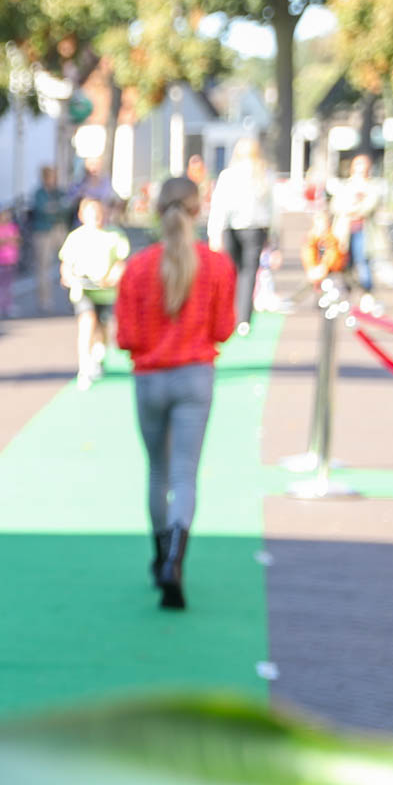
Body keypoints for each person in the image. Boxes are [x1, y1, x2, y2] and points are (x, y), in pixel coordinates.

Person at [115, 175, 236, 611]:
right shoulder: (217, 266)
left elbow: (126, 337)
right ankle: (176, 560)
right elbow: (223, 329)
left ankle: (159, 554)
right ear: (198, 209)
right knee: (185, 473)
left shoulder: (138, 268)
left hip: (150, 377)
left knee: (158, 471)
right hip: (194, 375)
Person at [205, 137, 275, 334]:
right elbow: (272, 208)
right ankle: (243, 318)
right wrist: (272, 233)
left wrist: (214, 232)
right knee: (248, 273)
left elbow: (219, 206)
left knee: (231, 272)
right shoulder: (264, 175)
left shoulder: (229, 175)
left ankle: (229, 315)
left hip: (231, 227)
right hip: (255, 228)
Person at [59, 196, 130, 388]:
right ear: (82, 215)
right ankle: (84, 367)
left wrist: (112, 277)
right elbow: (66, 264)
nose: (95, 216)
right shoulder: (75, 237)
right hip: (83, 290)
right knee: (87, 322)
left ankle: (99, 354)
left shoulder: (115, 235)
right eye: (91, 213)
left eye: (99, 212)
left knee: (104, 329)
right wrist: (68, 276)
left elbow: (120, 263)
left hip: (106, 292)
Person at [329, 153, 383, 311]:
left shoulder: (372, 187)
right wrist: (351, 207)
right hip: (345, 232)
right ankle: (346, 294)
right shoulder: (346, 186)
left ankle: (367, 294)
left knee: (364, 262)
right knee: (345, 263)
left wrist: (355, 209)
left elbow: (369, 206)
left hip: (364, 231)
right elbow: (336, 205)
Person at [29, 166, 71, 312]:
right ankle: (44, 300)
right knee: (43, 266)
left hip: (59, 229)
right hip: (44, 231)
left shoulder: (59, 192)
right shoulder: (39, 193)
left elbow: (66, 208)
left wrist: (54, 208)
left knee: (70, 262)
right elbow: (43, 210)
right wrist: (56, 208)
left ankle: (74, 297)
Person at [300, 209, 348, 289]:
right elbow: (307, 253)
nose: (320, 227)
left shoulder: (332, 238)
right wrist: (312, 267)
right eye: (318, 224)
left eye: (322, 224)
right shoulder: (311, 238)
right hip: (316, 271)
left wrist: (324, 267)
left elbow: (334, 256)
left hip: (331, 273)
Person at [0, 205, 21, 319]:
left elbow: (17, 241)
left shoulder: (12, 227)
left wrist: (6, 240)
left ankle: (8, 305)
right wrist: (8, 240)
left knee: (9, 285)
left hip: (11, 259)